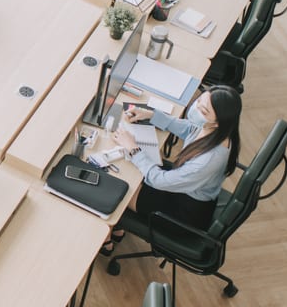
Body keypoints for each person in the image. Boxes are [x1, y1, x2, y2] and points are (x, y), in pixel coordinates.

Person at [101, 86, 243, 254]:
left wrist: (133, 148)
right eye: (198, 101)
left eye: (203, 111)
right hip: (183, 186)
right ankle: (117, 230)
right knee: (127, 170)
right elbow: (189, 129)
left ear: (217, 122)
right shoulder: (216, 130)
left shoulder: (209, 160)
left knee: (116, 183)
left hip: (183, 213)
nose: (196, 109)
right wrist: (152, 115)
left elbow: (158, 180)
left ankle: (107, 239)